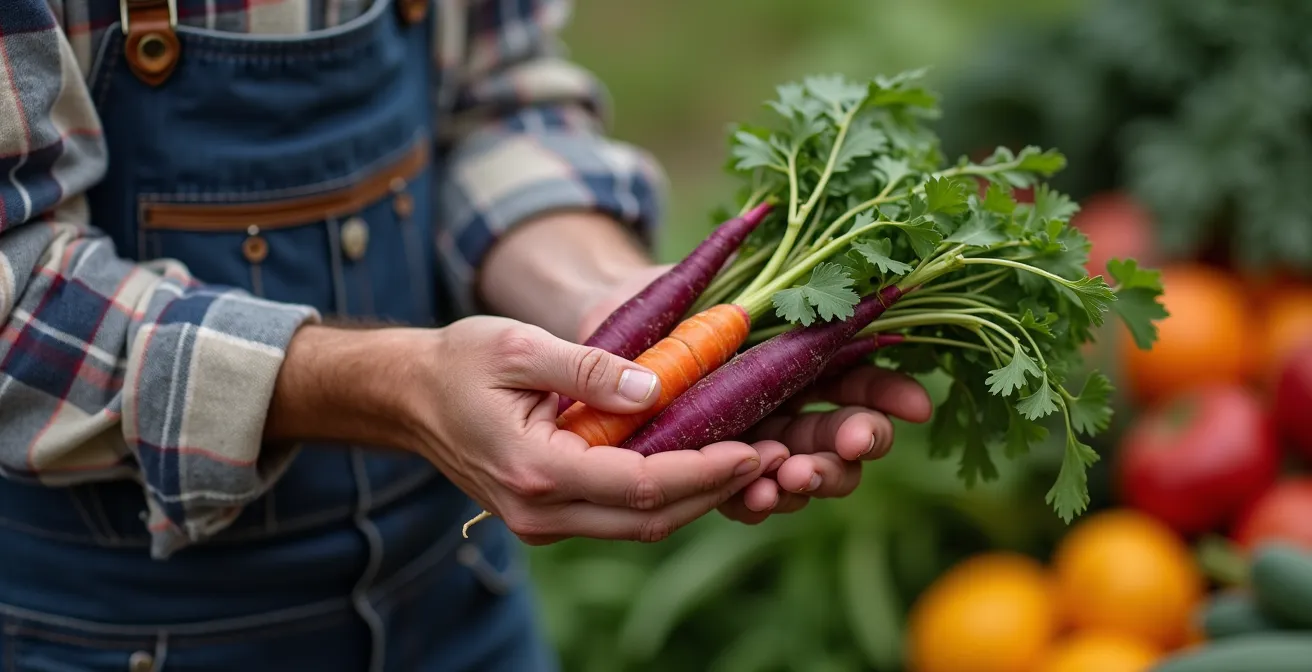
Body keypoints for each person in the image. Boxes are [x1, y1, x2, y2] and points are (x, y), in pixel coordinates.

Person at [0, 0, 931, 669]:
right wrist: (403, 387)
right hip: (116, 632)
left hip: (460, 599)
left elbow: (499, 93)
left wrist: (596, 296)